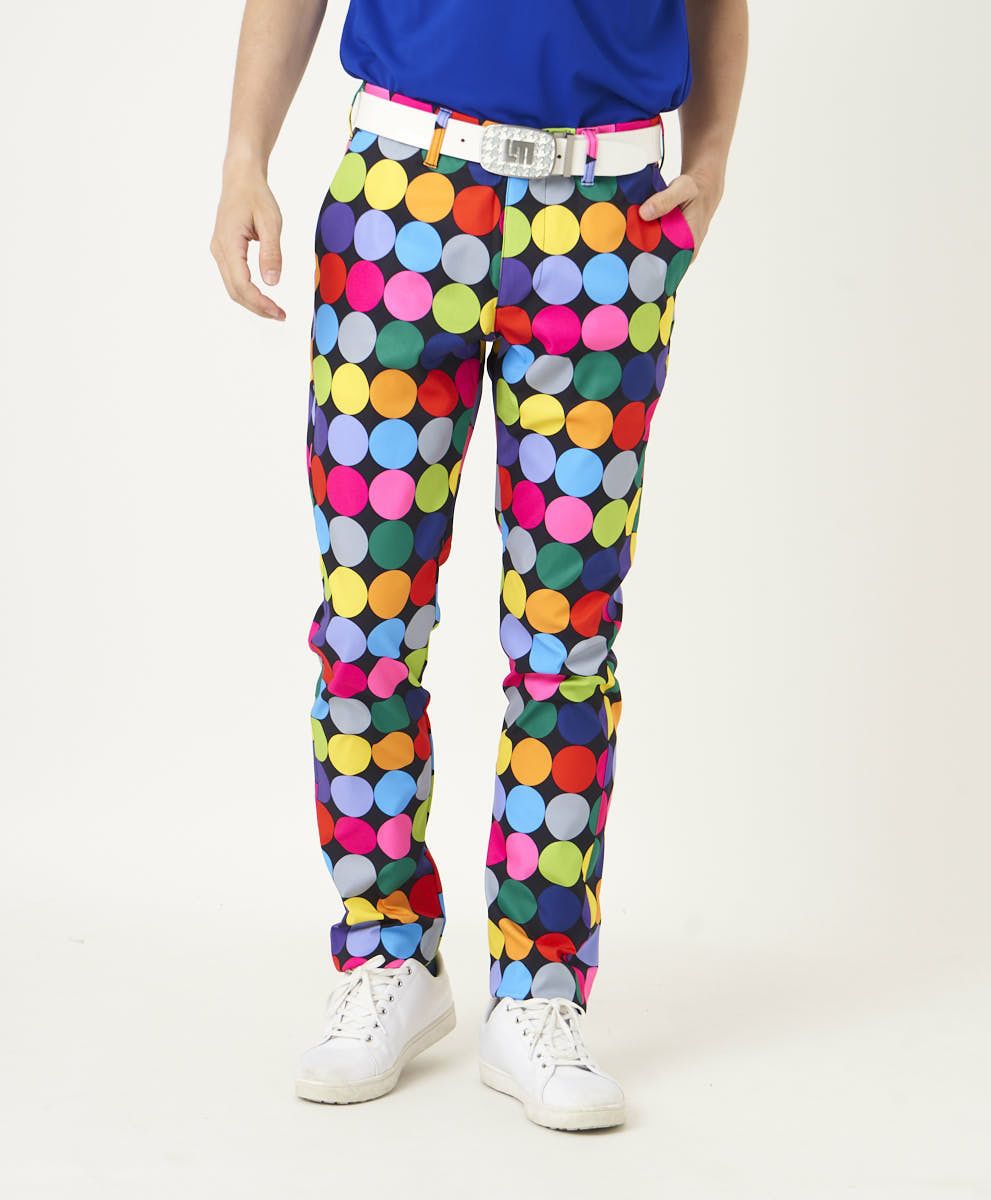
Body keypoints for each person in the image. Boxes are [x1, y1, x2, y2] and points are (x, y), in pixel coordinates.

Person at [211, 0, 747, 1132]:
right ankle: (385, 955)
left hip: (605, 221)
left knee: (566, 639)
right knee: (367, 621)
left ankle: (538, 988)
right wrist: (244, 155)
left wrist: (709, 161)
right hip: (401, 200)